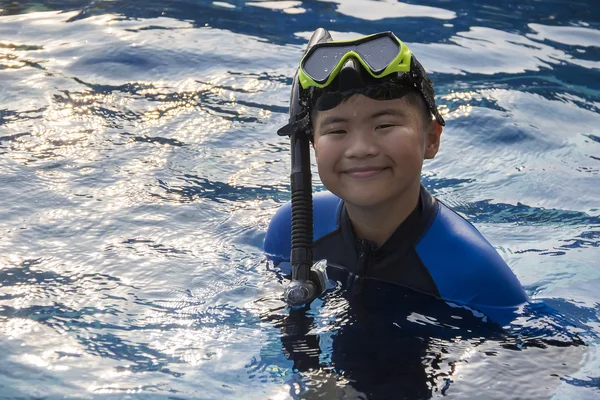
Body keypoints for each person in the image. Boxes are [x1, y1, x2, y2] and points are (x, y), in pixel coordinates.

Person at [264, 28, 528, 325]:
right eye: (337, 131)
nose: (361, 149)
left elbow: (537, 358)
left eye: (385, 125)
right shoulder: (290, 230)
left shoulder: (472, 270)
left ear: (430, 139)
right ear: (313, 145)